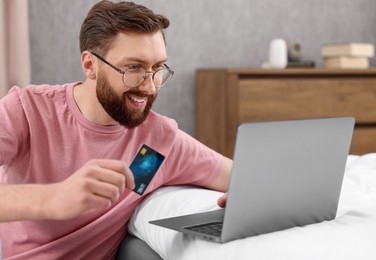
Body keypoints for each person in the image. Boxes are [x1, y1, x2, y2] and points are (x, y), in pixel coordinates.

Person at [0, 1, 232, 259]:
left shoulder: (160, 140)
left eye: (157, 69)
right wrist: (54, 198)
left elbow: (237, 176)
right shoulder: (26, 110)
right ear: (90, 65)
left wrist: (241, 201)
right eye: (133, 68)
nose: (150, 87)